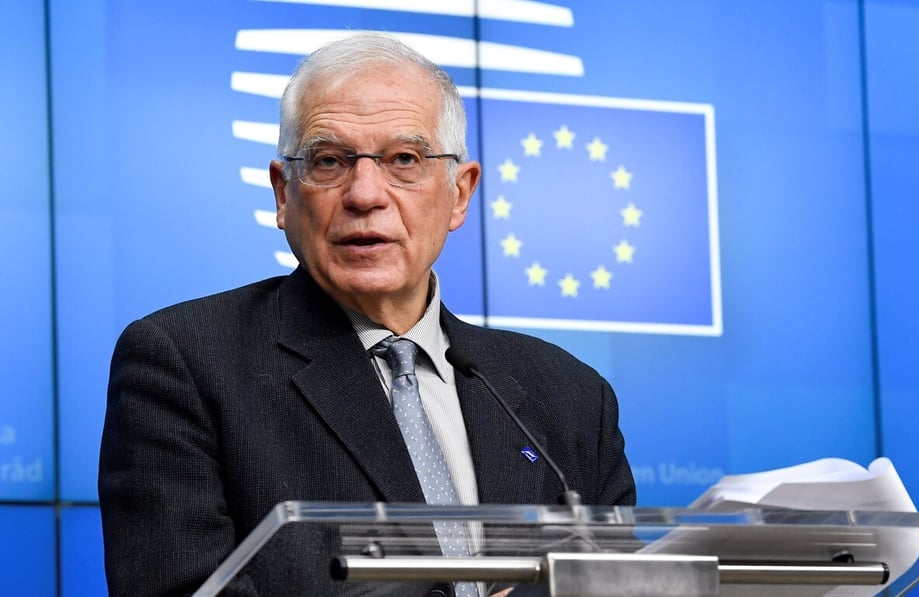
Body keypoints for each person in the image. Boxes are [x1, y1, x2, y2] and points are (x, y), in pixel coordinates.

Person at [98, 32, 635, 596]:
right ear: (284, 194)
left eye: (404, 159)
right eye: (329, 161)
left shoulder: (568, 396)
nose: (365, 194)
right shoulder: (184, 364)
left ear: (459, 193)